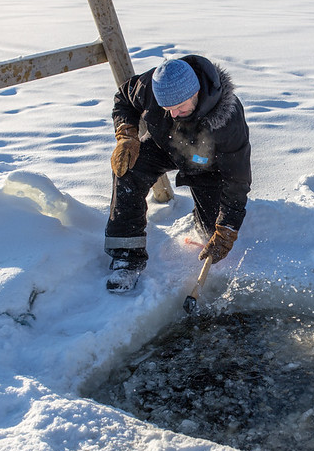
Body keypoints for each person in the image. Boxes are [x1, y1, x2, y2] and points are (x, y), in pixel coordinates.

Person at [105, 55, 252, 292]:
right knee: (128, 166)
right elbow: (124, 98)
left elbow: (238, 180)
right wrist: (126, 135)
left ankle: (205, 223)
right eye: (167, 109)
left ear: (196, 94)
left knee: (210, 236)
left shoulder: (228, 119)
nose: (172, 114)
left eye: (180, 108)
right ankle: (126, 256)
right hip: (165, 145)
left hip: (209, 166)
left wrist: (226, 230)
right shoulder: (151, 85)